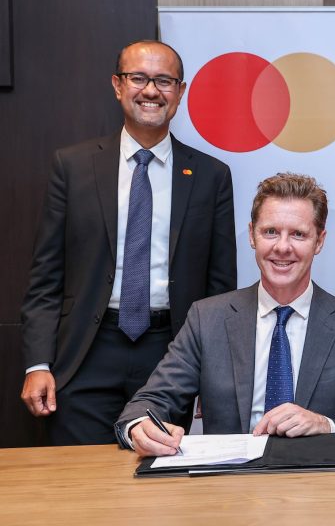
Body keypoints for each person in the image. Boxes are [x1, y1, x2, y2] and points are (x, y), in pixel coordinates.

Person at [19, 40, 237, 445]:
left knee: (157, 486)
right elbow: (46, 278)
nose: (151, 90)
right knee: (80, 484)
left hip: (171, 356)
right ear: (118, 85)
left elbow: (219, 290)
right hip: (84, 353)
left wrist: (214, 374)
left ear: (180, 92)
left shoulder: (211, 176)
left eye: (164, 81)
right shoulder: (72, 166)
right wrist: (37, 364)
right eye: (138, 78)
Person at [114, 172, 335, 456]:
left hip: (317, 486)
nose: (282, 247)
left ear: (319, 242)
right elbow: (148, 402)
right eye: (270, 232)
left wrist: (325, 425)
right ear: (252, 235)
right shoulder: (208, 319)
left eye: (298, 234)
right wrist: (139, 426)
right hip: (228, 488)